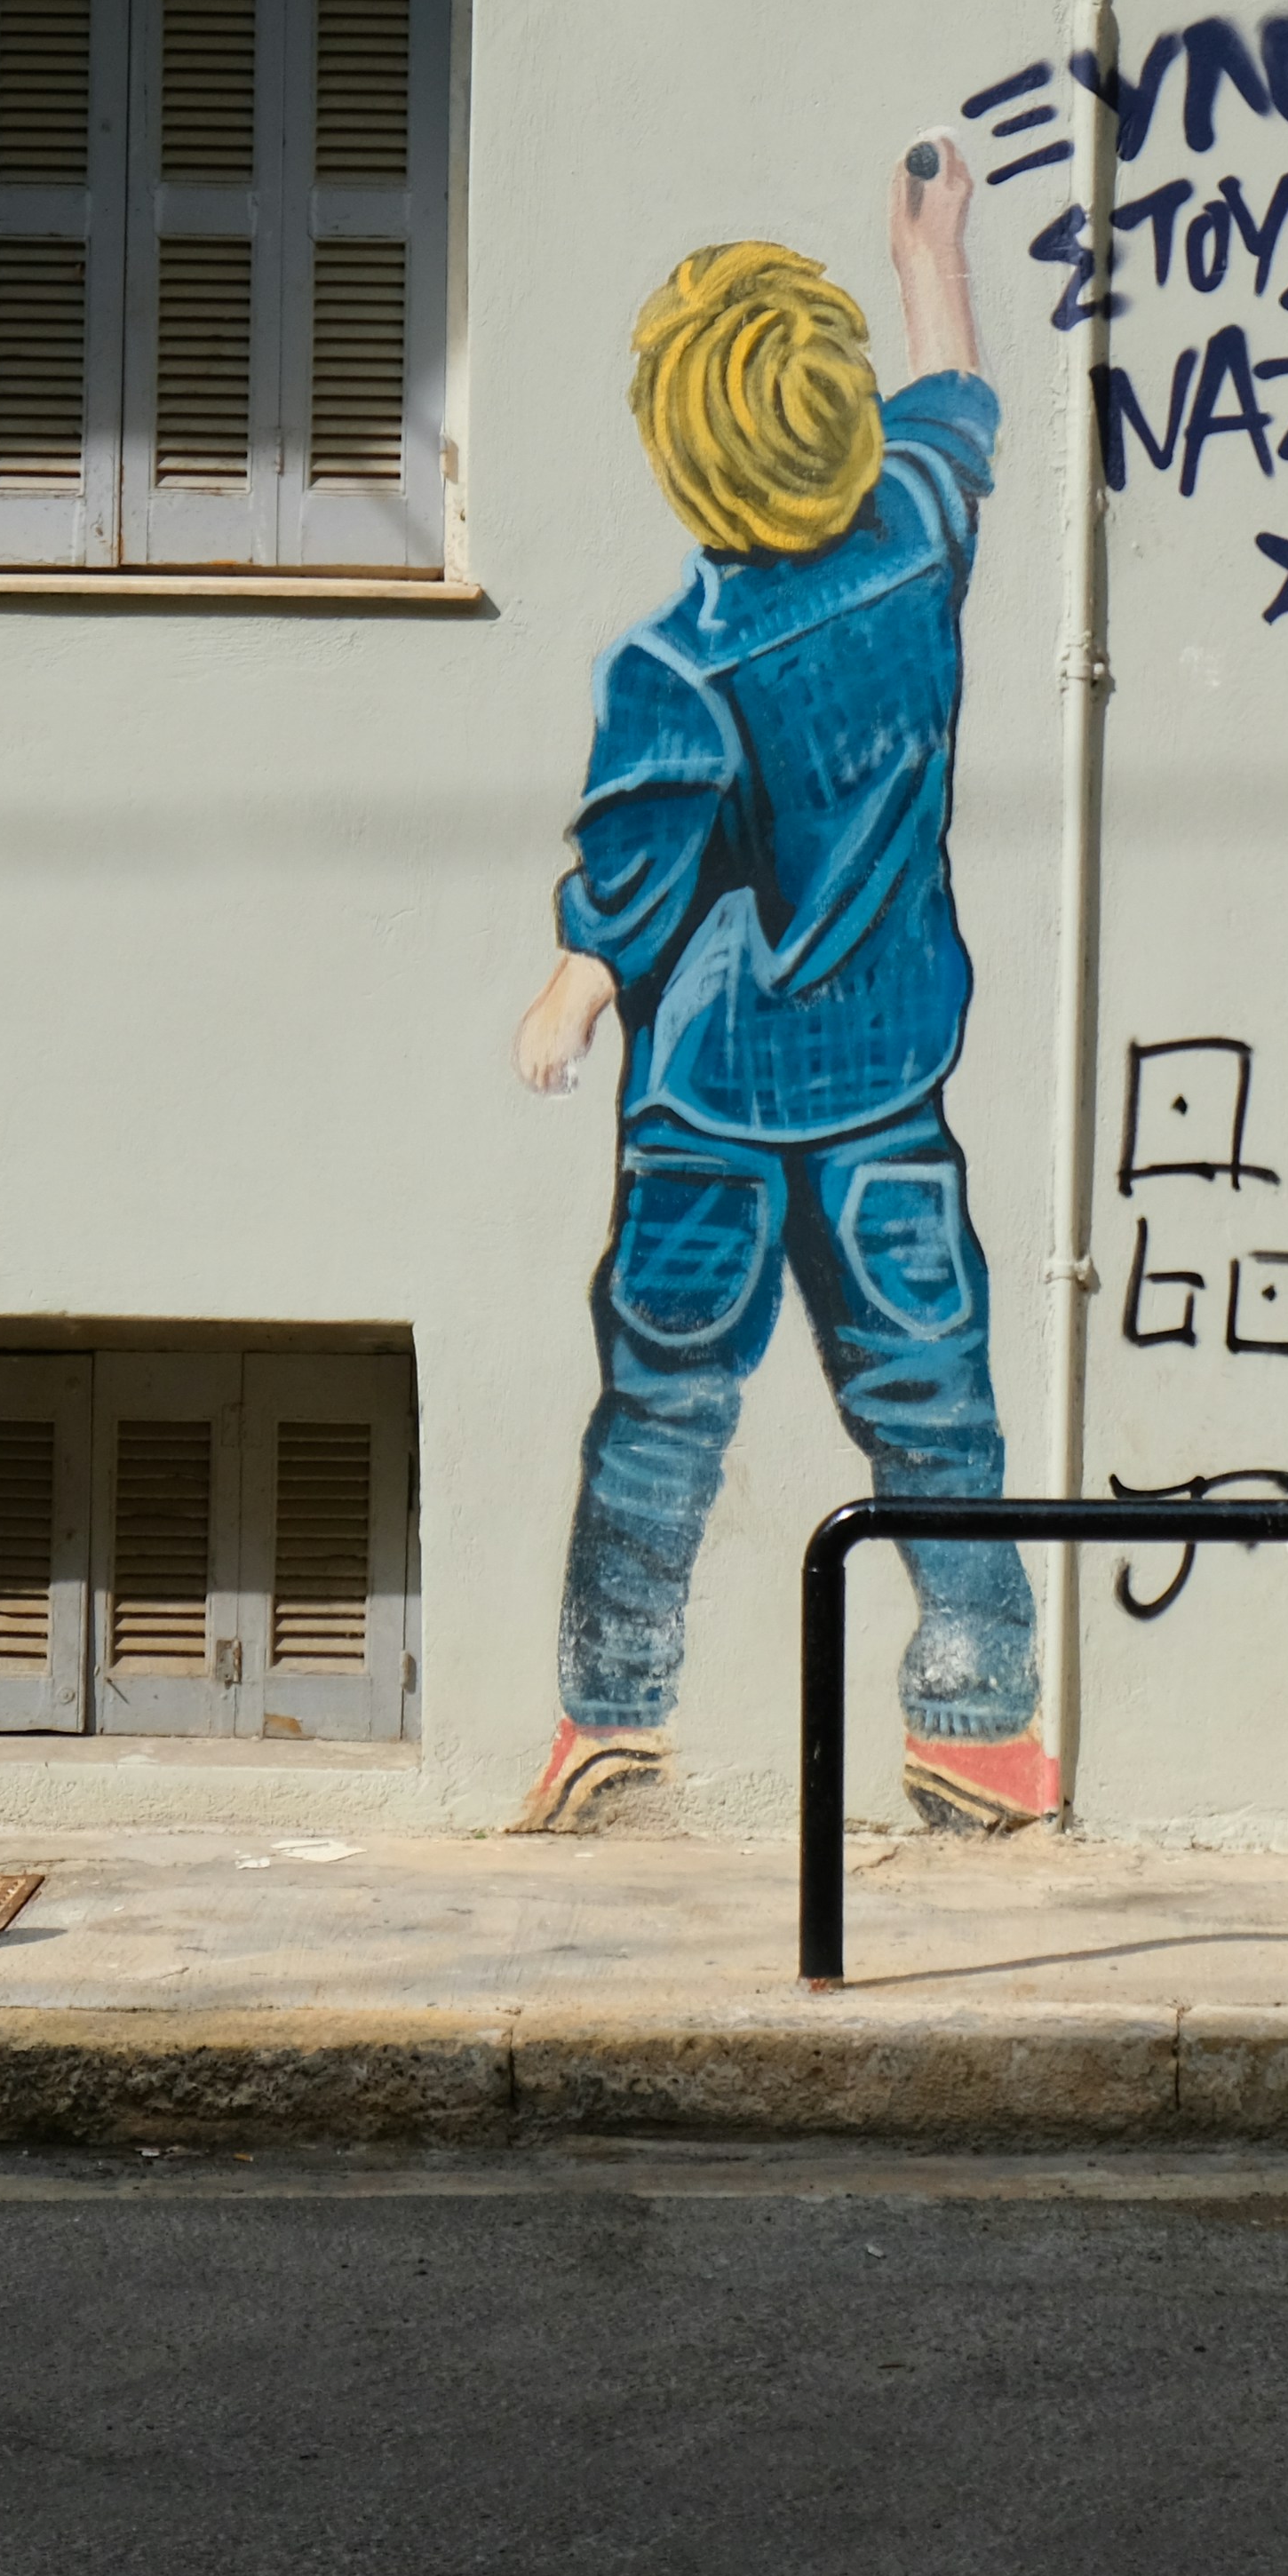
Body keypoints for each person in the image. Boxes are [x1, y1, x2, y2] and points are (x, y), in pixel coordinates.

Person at [506, 135, 1053, 1837]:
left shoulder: (675, 666)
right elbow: (961, 401)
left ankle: (610, 1718)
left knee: (667, 1404)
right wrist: (929, 254)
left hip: (714, 1116)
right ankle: (979, 1725)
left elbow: (638, 878)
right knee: (934, 1397)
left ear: (681, 461)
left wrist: (572, 986)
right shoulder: (917, 534)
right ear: (839, 420)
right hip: (892, 1079)